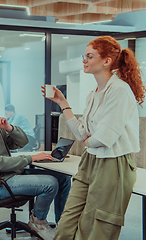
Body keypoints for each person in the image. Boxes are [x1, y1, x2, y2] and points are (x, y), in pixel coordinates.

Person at [44, 36, 145, 240]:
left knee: (97, 228)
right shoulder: (93, 93)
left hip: (113, 164)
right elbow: (82, 133)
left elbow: (104, 138)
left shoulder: (119, 90)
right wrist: (63, 103)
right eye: (85, 56)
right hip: (90, 160)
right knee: (67, 222)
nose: (84, 60)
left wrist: (89, 140)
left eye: (89, 56)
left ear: (106, 61)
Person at [0, 97, 71, 240]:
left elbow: (22, 142)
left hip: (11, 175)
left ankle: (62, 226)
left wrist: (9, 128)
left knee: (63, 178)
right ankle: (38, 222)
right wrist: (32, 158)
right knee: (50, 184)